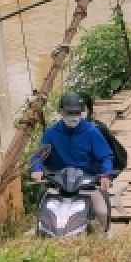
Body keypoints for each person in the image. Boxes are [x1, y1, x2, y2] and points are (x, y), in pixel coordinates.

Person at [30, 92, 114, 234]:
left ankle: (104, 236)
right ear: (61, 112)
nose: (73, 116)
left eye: (77, 112)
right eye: (69, 112)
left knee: (102, 212)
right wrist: (36, 169)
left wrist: (106, 175)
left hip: (86, 184)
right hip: (58, 184)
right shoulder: (51, 133)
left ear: (82, 112)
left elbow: (106, 157)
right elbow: (38, 156)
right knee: (41, 211)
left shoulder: (91, 132)